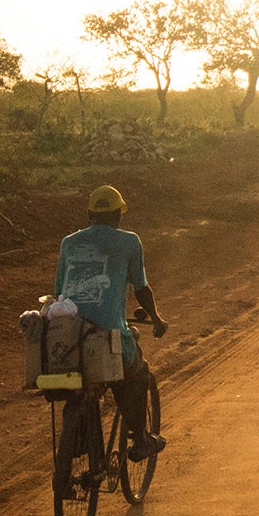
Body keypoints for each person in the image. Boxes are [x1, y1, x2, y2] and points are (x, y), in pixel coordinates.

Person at [53, 184, 169, 460]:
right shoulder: (129, 242)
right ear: (119, 214)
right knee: (137, 372)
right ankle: (140, 440)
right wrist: (156, 319)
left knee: (82, 383)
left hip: (68, 335)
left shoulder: (69, 243)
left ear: (89, 214)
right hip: (108, 337)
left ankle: (78, 447)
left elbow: (59, 291)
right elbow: (141, 288)